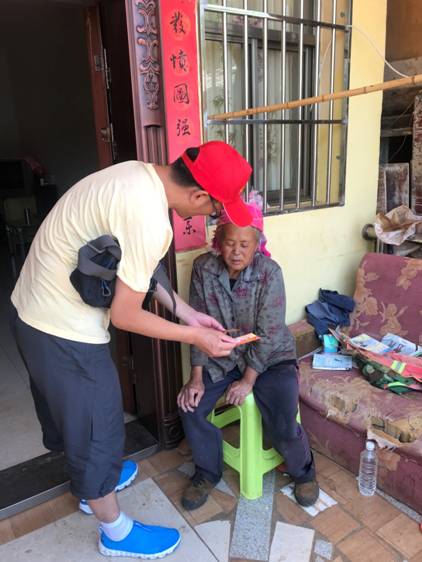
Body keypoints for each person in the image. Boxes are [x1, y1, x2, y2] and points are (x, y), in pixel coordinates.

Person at [10, 141, 254, 559]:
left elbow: (139, 269)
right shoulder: (149, 218)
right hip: (62, 330)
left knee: (77, 420)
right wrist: (196, 337)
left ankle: (94, 478)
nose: (211, 217)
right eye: (216, 209)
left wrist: (188, 314)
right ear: (199, 196)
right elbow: (125, 314)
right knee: (98, 425)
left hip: (32, 312)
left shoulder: (137, 176)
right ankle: (114, 530)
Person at [177, 192, 319, 511]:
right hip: (222, 355)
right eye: (229, 243)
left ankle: (303, 472)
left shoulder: (270, 272)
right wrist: (196, 377)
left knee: (282, 418)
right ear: (218, 241)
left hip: (271, 359)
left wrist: (248, 381)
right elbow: (197, 325)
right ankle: (207, 472)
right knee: (190, 406)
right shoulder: (203, 268)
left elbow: (268, 333)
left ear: (257, 244)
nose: (236, 251)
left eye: (244, 244)